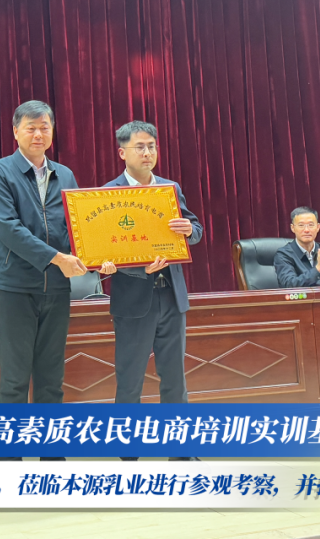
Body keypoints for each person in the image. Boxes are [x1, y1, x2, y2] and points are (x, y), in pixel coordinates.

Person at [0, 100, 86, 459]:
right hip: (15, 286)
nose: (38, 134)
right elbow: (8, 229)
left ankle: (51, 458)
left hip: (56, 288)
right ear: (16, 132)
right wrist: (57, 258)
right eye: (31, 127)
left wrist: (96, 256)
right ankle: (10, 461)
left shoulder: (65, 175)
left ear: (53, 131)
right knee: (14, 379)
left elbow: (77, 228)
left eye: (45, 127)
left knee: (51, 379)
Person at [97, 121, 203, 461]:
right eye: (140, 147)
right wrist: (126, 267)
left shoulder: (169, 188)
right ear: (122, 152)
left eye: (152, 147)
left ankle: (180, 452)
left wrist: (189, 229)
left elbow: (195, 228)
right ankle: (128, 456)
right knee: (130, 379)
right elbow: (101, 250)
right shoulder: (106, 194)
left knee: (174, 378)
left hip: (171, 295)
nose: (147, 153)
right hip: (133, 300)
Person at [274, 207, 320, 288]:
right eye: (301, 225)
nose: (306, 230)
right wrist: (318, 269)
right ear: (293, 228)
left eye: (311, 225)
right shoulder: (283, 254)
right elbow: (289, 285)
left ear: (318, 227)